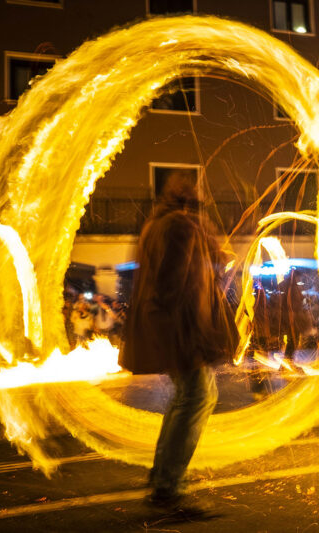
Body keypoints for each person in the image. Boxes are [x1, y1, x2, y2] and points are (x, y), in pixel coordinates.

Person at [120, 172, 235, 510]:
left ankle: (162, 476)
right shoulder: (180, 226)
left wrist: (213, 255)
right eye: (200, 190)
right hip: (183, 328)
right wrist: (213, 265)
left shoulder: (158, 224)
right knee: (197, 396)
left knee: (190, 396)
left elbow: (183, 271)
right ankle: (169, 486)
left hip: (174, 327)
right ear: (189, 196)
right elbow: (174, 283)